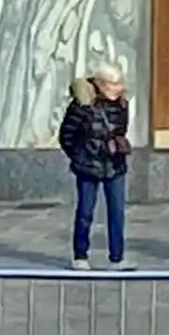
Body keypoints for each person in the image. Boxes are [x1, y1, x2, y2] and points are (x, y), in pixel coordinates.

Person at [59, 62, 132, 266]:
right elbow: (67, 135)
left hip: (115, 164)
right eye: (112, 84)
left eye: (119, 84)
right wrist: (79, 155)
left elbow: (121, 130)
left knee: (117, 212)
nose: (117, 88)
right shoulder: (82, 105)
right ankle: (80, 256)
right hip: (88, 165)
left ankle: (117, 258)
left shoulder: (122, 104)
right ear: (100, 84)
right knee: (85, 212)